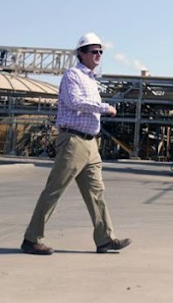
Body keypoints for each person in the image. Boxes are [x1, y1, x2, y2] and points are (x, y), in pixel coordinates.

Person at [20, 32, 132, 255]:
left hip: (90, 144)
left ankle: (105, 239)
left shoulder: (91, 80)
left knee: (97, 192)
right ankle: (31, 239)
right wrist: (104, 108)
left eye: (101, 51)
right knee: (54, 190)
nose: (99, 54)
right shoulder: (73, 75)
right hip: (73, 141)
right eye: (94, 51)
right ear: (81, 54)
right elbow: (74, 102)